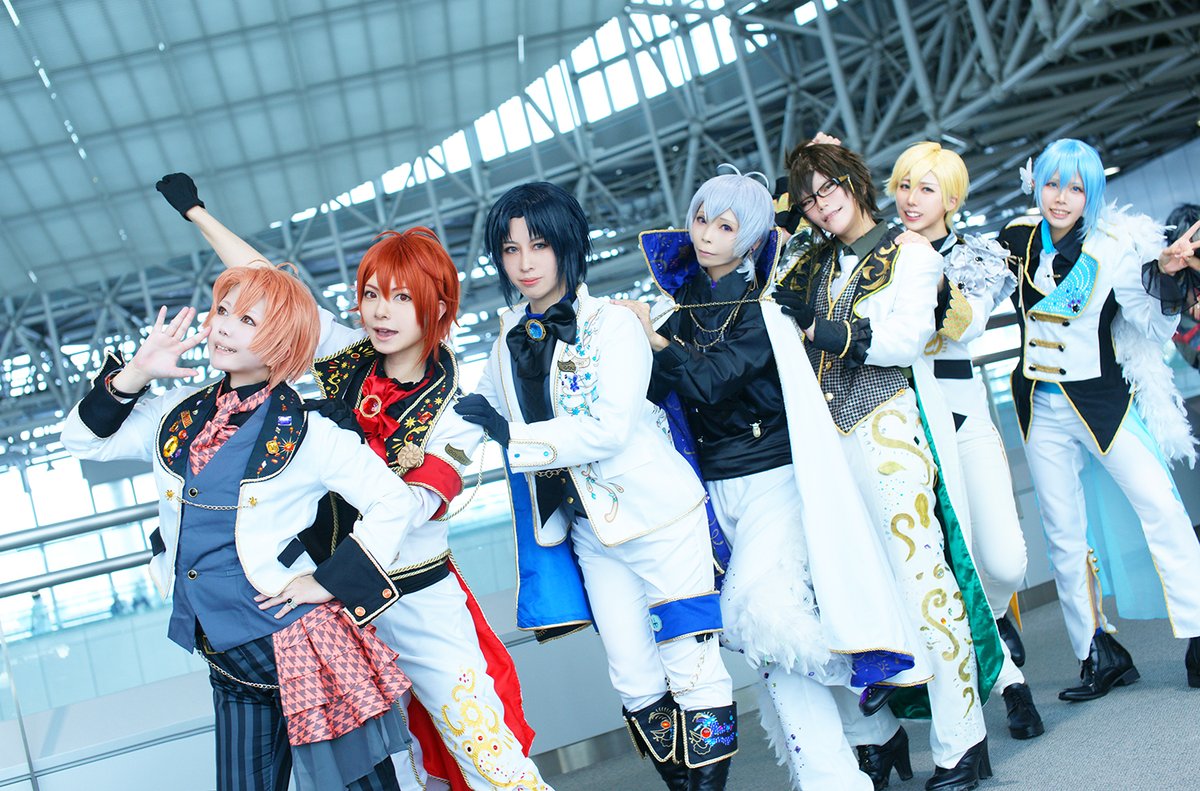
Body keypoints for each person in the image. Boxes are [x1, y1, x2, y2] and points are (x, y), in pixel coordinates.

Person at [156, 173, 550, 791]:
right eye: (371, 295)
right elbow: (274, 289)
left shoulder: (458, 407)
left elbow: (411, 506)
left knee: (485, 750)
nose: (381, 312)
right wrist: (197, 213)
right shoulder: (347, 358)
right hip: (334, 612)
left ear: (438, 308)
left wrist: (330, 565)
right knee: (391, 770)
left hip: (414, 597)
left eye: (402, 298)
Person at [60, 264, 434, 790]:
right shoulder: (176, 413)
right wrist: (137, 372)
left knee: (360, 785)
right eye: (222, 311)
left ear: (283, 339)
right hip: (224, 649)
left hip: (302, 645)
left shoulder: (310, 430)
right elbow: (82, 441)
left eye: (248, 320)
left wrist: (328, 581)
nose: (224, 327)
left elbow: (395, 501)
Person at [620, 165, 930, 791]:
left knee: (757, 616)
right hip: (713, 490)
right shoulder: (679, 314)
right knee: (768, 640)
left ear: (751, 237)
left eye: (725, 226)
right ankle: (867, 736)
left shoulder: (764, 309)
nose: (706, 234)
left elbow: (711, 381)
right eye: (702, 219)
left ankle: (845, 741)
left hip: (776, 480)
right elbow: (656, 396)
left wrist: (654, 342)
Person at [454, 181, 738, 790]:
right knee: (632, 677)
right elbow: (472, 415)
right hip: (588, 531)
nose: (524, 262)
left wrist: (512, 436)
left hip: (659, 518)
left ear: (567, 246)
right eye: (510, 249)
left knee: (689, 664)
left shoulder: (613, 324)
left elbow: (609, 429)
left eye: (539, 245)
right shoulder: (505, 339)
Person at [775, 140, 1003, 791]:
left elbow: (904, 339)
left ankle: (962, 741)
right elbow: (764, 290)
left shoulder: (913, 253)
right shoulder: (811, 264)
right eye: (809, 197)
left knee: (925, 585)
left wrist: (823, 332)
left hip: (888, 431)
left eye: (829, 187)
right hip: (826, 449)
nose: (822, 204)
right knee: (848, 592)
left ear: (855, 181)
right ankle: (878, 737)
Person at [999, 138, 1200, 700]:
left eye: (1076, 188)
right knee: (1063, 534)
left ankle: (1199, 632)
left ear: (1092, 194)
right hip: (1038, 406)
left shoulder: (1113, 247)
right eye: (1052, 184)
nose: (1061, 198)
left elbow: (1152, 327)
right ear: (1037, 185)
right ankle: (1095, 651)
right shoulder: (1015, 238)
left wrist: (1166, 275)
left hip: (1104, 403)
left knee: (1162, 508)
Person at [885, 141, 1044, 741]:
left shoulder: (978, 255)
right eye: (904, 185)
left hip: (965, 418)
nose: (911, 199)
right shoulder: (876, 256)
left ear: (951, 199)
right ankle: (1011, 687)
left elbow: (969, 325)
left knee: (1005, 561)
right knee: (951, 566)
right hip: (904, 427)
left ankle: (996, 620)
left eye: (926, 189)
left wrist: (919, 266)